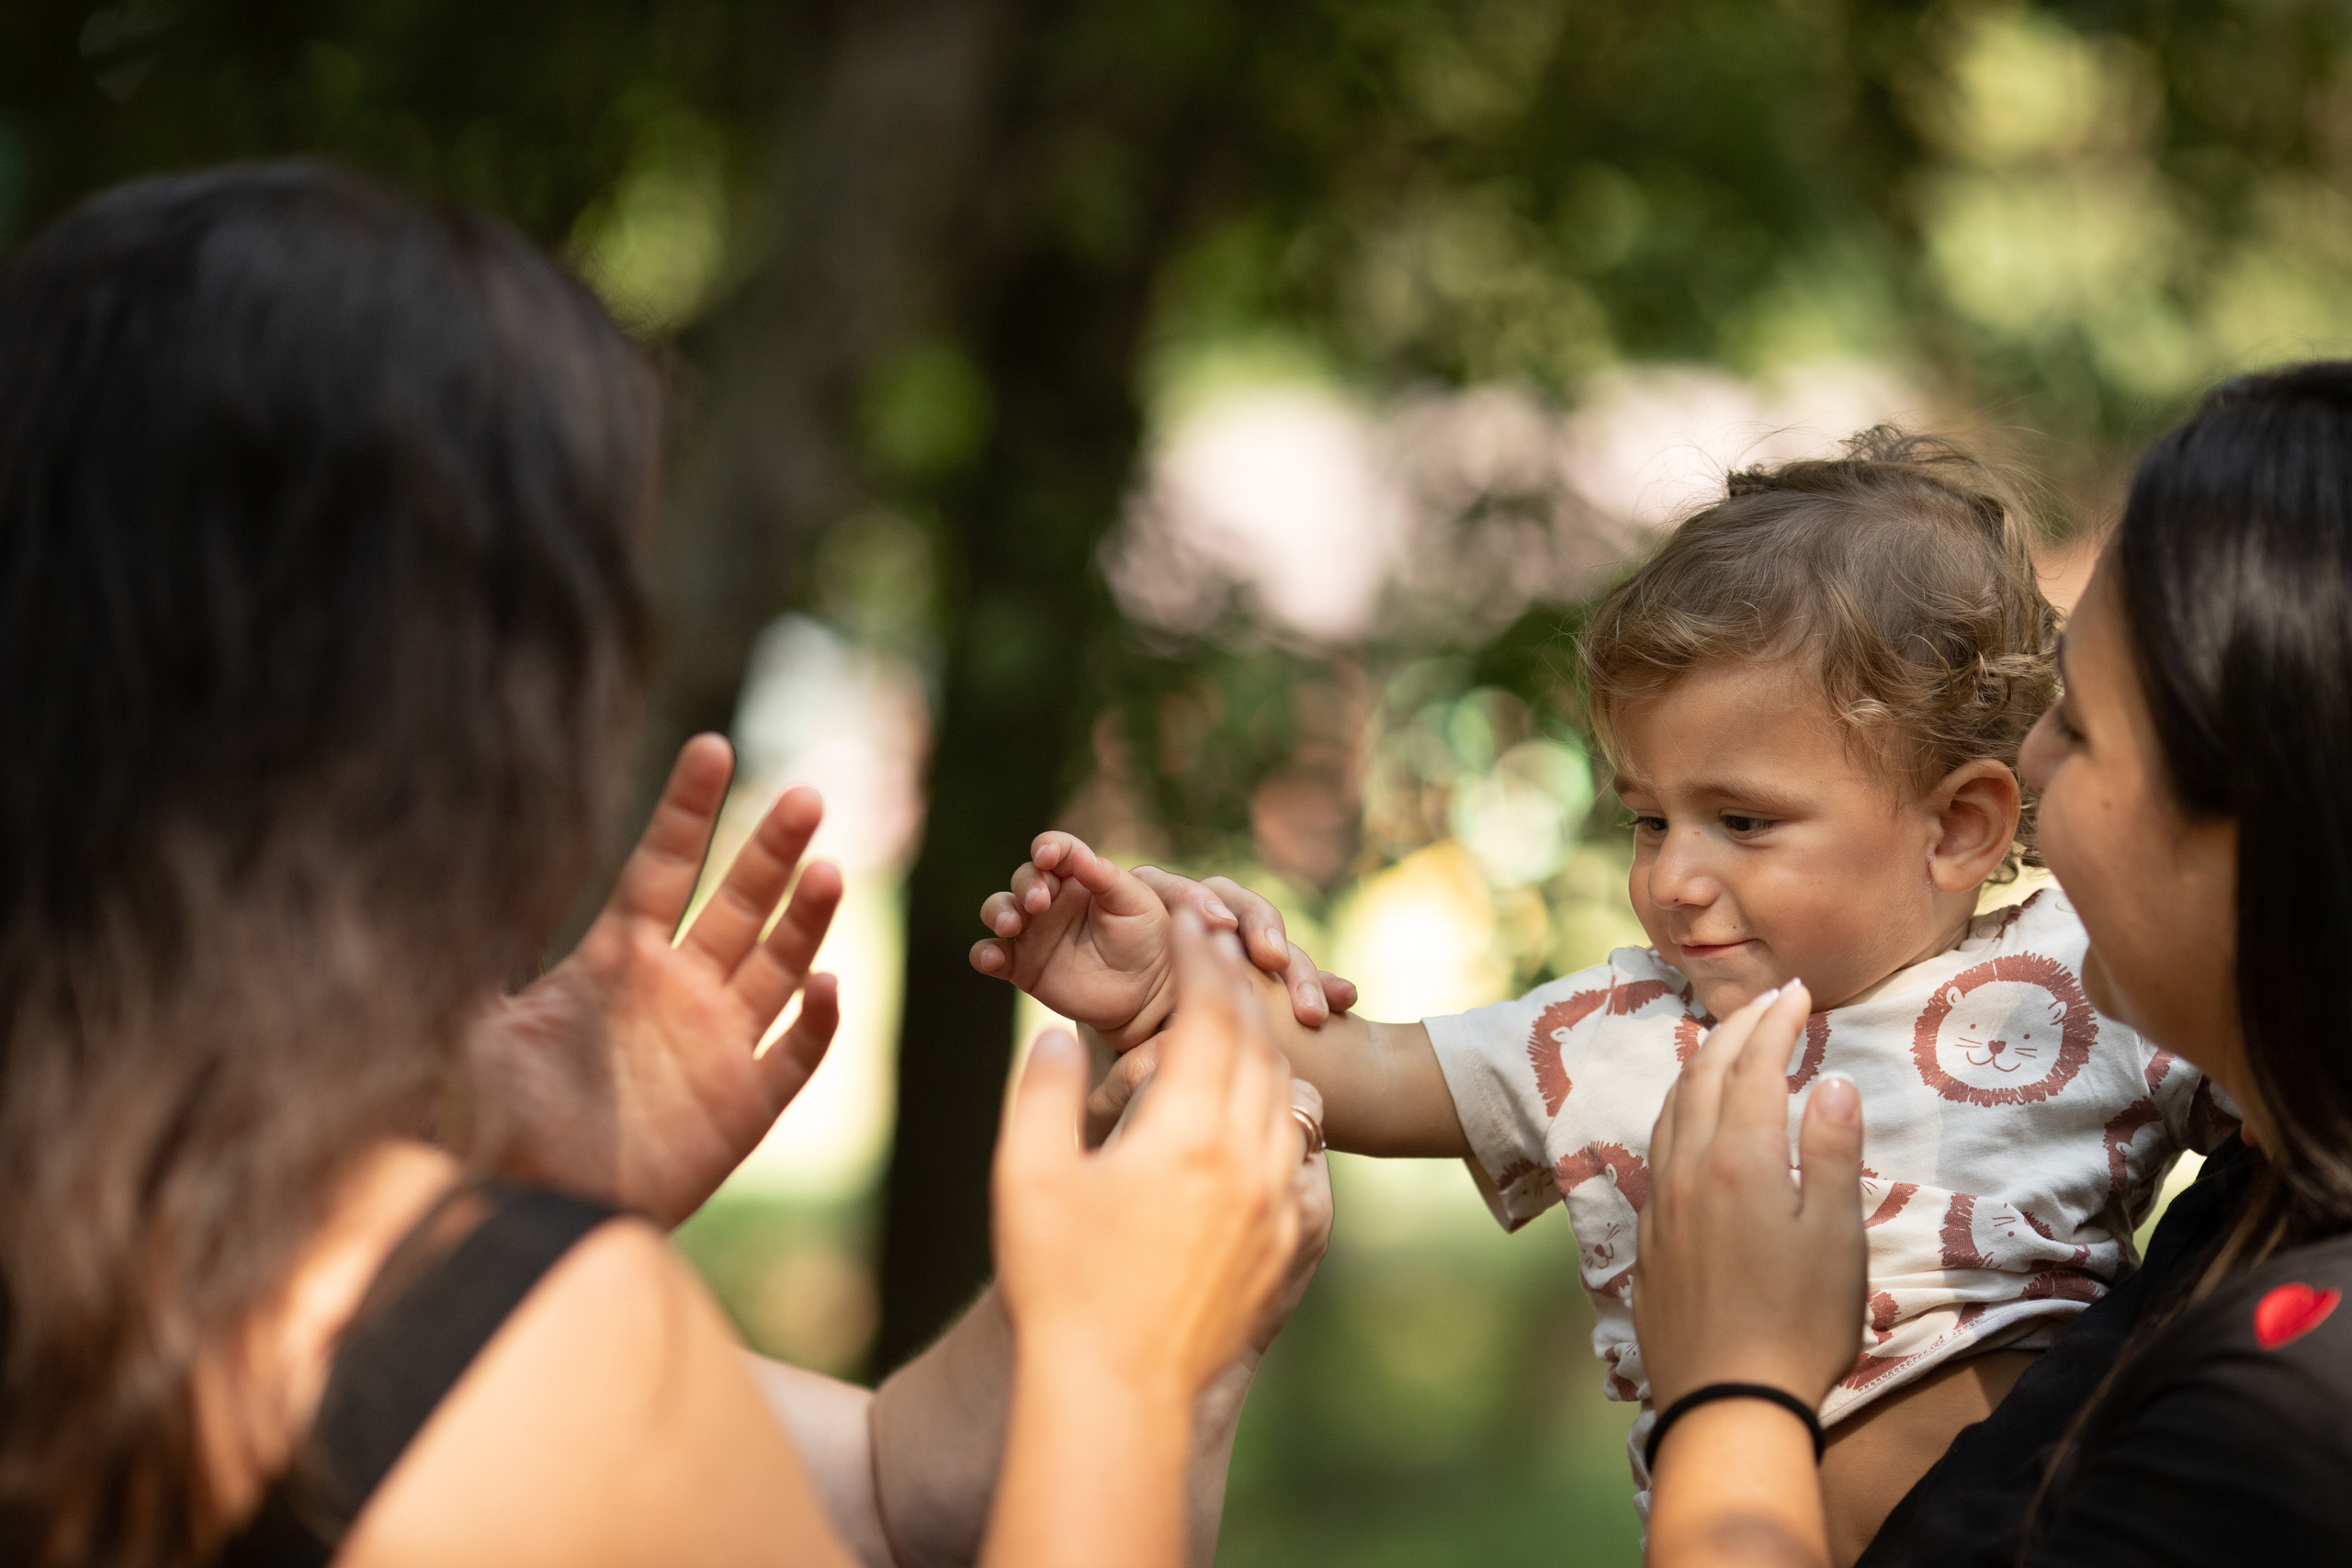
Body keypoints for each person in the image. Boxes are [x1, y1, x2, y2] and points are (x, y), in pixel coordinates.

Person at [0, 161, 1327, 1568]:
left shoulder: (149, 1241)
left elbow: (885, 1495)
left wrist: (1131, 1250)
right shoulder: (470, 1355)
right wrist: (1127, 1372)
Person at [971, 432, 2230, 1552]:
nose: (1674, 878)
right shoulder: (1623, 1030)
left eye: (1741, 820)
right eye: (1646, 819)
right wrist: (1169, 983)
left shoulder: (2078, 975)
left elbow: (2284, 1091)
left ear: (1958, 827)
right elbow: (1365, 1066)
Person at [1634, 361, 2352, 1564]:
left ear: (2268, 826)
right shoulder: (2264, 1180)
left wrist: (1733, 1389)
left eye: (2076, 723)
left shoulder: (2292, 1419)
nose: (2027, 757)